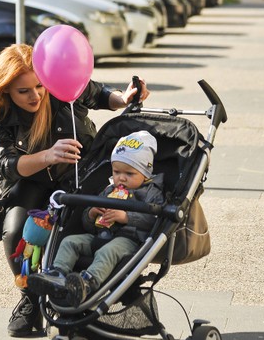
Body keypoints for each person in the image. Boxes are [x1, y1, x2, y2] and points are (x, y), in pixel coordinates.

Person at [0, 44, 149, 337]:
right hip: (29, 183)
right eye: (24, 91)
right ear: (7, 90)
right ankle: (30, 299)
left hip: (79, 176)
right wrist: (48, 155)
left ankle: (86, 294)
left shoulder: (59, 84)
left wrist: (123, 98)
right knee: (16, 228)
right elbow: (8, 164)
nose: (35, 95)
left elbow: (97, 94)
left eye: (39, 86)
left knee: (82, 227)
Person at [27, 131, 165, 306]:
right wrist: (91, 214)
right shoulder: (109, 190)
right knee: (70, 241)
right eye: (116, 172)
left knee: (106, 252)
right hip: (99, 236)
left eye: (129, 174)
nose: (121, 178)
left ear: (146, 173)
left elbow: (155, 219)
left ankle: (87, 283)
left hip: (128, 240)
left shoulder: (150, 192)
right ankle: (57, 274)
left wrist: (127, 217)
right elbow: (88, 225)